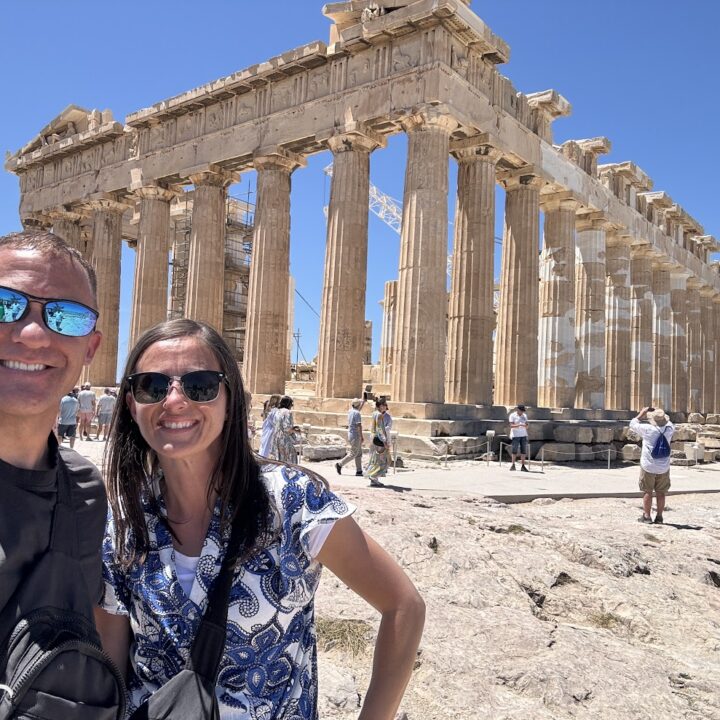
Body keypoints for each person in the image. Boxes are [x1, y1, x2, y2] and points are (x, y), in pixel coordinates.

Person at [94, 319, 424, 719]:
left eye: (201, 385)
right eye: (152, 385)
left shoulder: (292, 502)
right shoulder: (123, 520)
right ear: (132, 403)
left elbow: (404, 605)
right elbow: (109, 674)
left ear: (230, 400)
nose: (175, 400)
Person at [0, 230, 104, 652]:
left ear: (91, 347)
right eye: (5, 305)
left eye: (67, 316)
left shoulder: (87, 493)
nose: (33, 336)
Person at [630, 407, 675, 524]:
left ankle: (647, 516)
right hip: (663, 467)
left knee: (647, 491)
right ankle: (659, 517)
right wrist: (662, 415)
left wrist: (642, 414)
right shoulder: (670, 428)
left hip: (648, 465)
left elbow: (633, 423)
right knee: (661, 492)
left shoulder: (647, 429)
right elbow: (668, 421)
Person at [336, 398, 365, 476]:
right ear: (358, 405)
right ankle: (340, 464)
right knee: (353, 453)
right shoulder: (357, 413)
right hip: (356, 435)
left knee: (358, 453)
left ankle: (359, 471)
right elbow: (359, 425)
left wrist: (363, 402)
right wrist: (361, 436)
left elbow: (357, 410)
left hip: (351, 434)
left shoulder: (351, 411)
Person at [365, 398, 390, 487]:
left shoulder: (374, 413)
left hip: (373, 437)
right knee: (383, 460)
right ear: (380, 406)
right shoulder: (379, 415)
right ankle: (374, 476)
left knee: (374, 458)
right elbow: (379, 429)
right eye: (384, 405)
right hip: (378, 439)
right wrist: (384, 441)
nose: (385, 407)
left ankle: (374, 479)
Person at [272, 394, 299, 463]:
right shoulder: (287, 412)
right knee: (291, 457)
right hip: (284, 438)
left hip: (276, 437)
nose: (291, 406)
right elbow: (287, 428)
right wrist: (295, 431)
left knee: (280, 458)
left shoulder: (277, 411)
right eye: (291, 404)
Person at [258, 393, 281, 457]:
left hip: (266, 428)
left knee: (264, 445)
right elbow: (274, 421)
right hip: (271, 430)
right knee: (267, 446)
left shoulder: (269, 408)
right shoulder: (275, 410)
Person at [508, 403, 529, 472]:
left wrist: (525, 426)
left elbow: (527, 425)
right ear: (518, 410)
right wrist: (519, 425)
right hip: (515, 435)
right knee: (514, 450)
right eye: (521, 411)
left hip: (523, 434)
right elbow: (511, 425)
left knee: (523, 451)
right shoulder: (512, 415)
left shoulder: (524, 416)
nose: (522, 412)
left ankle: (523, 466)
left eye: (523, 411)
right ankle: (513, 464)